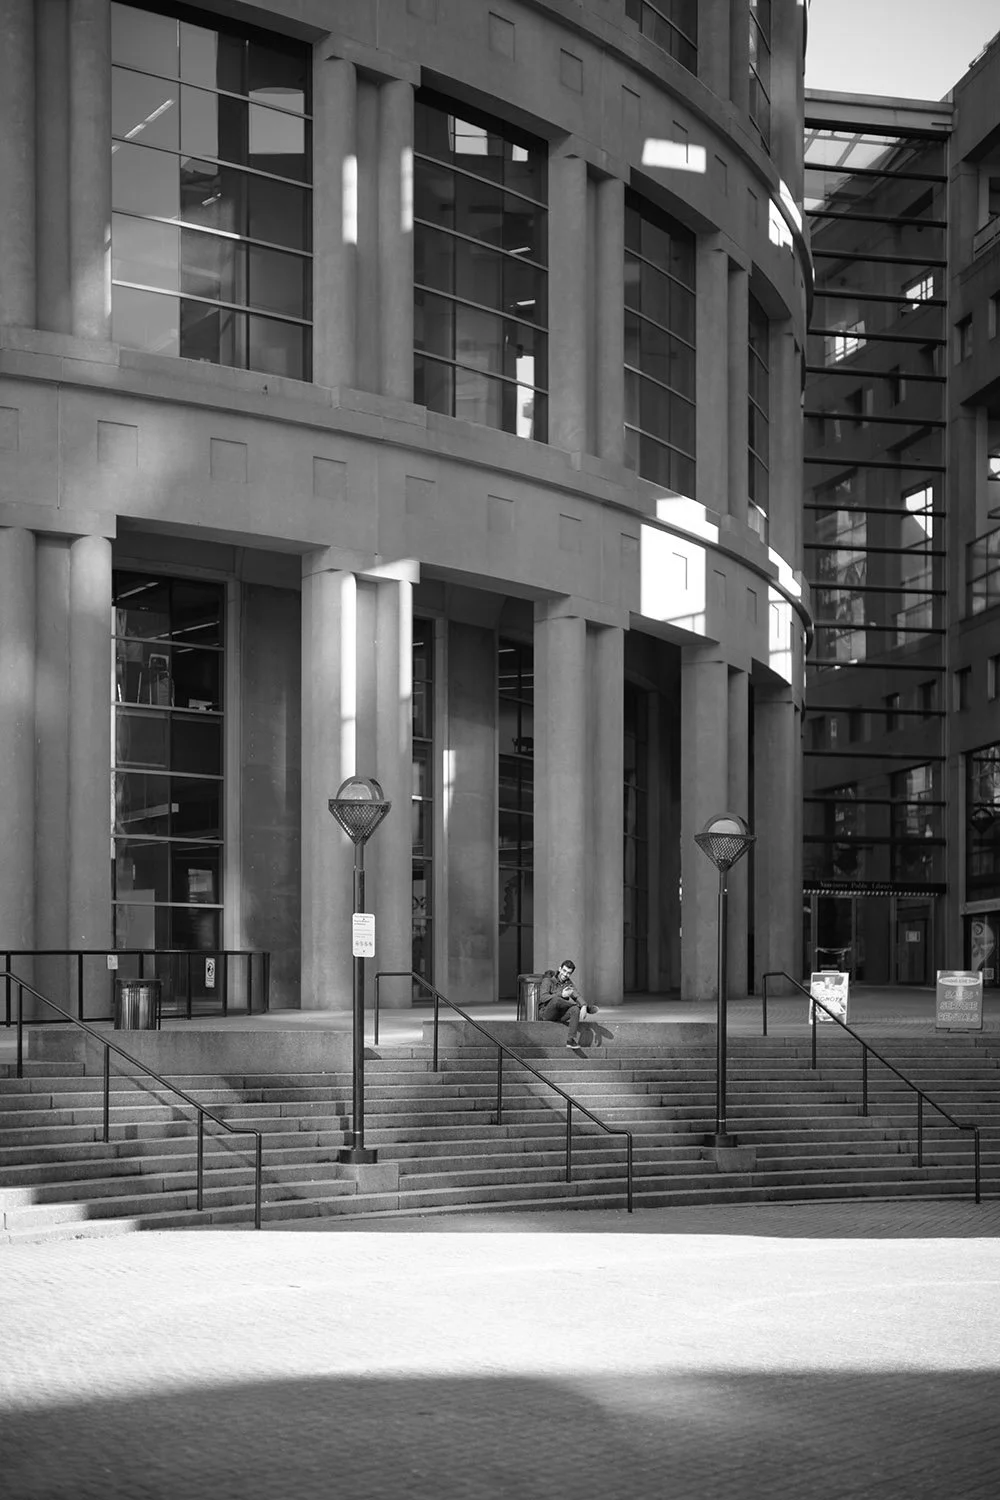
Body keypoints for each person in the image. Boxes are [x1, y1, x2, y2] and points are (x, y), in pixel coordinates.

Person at [538, 959, 595, 1047]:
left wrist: (583, 1005)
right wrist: (561, 994)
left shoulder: (568, 983)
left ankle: (570, 1040)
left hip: (559, 1015)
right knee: (557, 1000)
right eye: (564, 971)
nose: (565, 974)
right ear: (560, 969)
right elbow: (543, 997)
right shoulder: (548, 980)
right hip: (546, 1014)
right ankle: (582, 1007)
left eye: (568, 973)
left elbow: (577, 995)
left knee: (575, 1009)